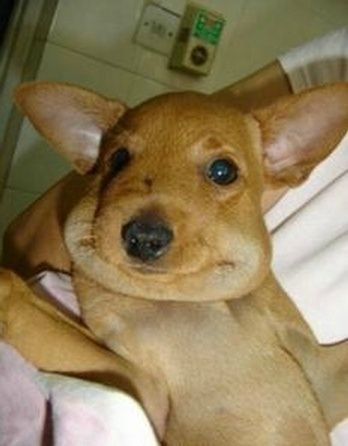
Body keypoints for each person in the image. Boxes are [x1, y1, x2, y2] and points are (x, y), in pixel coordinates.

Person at [1, 27, 348, 444]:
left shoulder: (247, 279)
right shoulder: (112, 293)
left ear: (284, 157)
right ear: (94, 152)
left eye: (220, 171)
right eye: (122, 159)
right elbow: (136, 395)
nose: (149, 231)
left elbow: (322, 379)